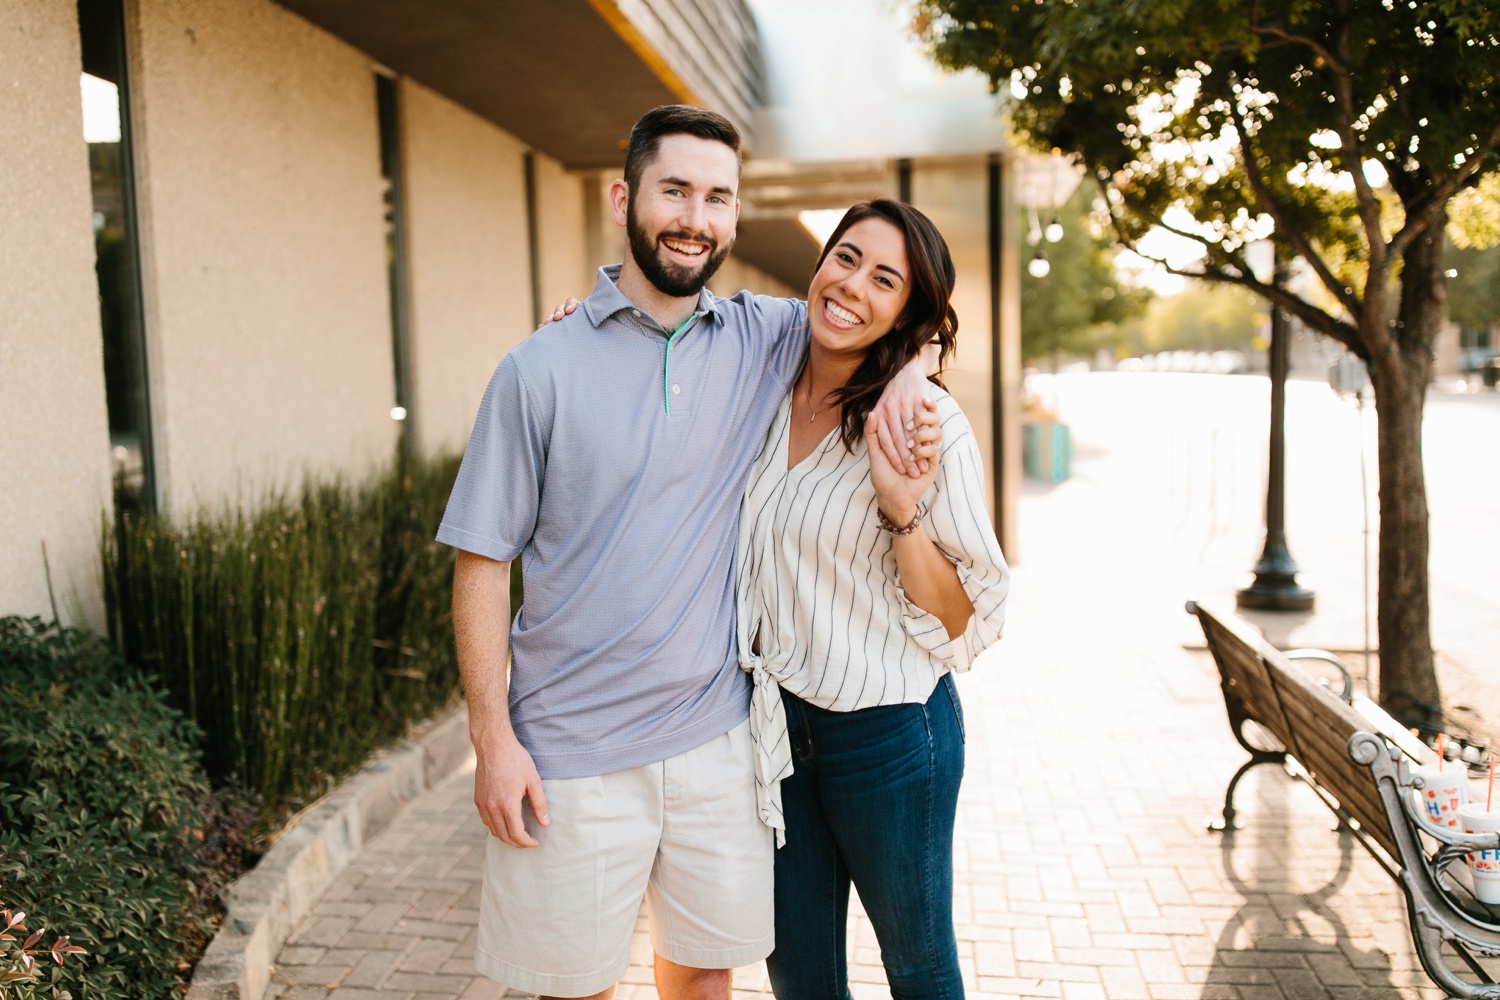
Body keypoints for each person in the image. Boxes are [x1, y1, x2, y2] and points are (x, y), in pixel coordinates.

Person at [436, 106, 934, 1000]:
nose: (694, 218)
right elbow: (480, 562)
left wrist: (911, 370)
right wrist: (491, 738)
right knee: (574, 990)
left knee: (705, 981)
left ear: (735, 215)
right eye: (674, 191)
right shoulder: (537, 370)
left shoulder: (763, 335)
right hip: (570, 751)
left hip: (717, 740)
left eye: (717, 198)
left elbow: (877, 313)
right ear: (623, 198)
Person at [736, 199, 1010, 999]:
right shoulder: (761, 383)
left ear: (907, 312)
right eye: (846, 258)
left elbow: (966, 614)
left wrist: (900, 509)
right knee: (799, 975)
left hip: (889, 733)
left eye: (885, 280)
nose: (853, 286)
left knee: (918, 970)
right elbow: (676, 319)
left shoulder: (924, 423)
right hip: (776, 730)